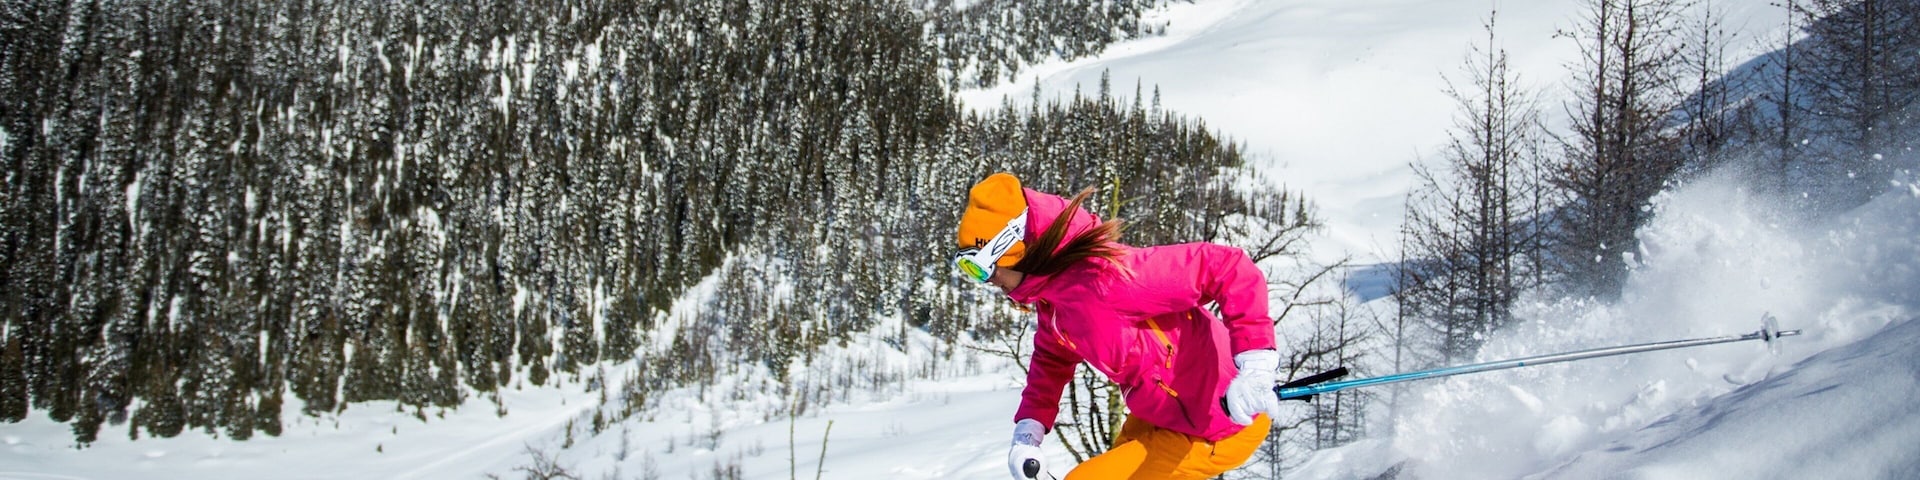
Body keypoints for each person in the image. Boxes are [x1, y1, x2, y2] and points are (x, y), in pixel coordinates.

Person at [952, 172, 1286, 480]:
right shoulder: (1054, 298)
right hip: (1162, 415)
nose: (988, 281)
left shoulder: (1109, 280)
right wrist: (1029, 429)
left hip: (1223, 422)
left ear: (1017, 249)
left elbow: (1227, 267)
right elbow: (1051, 362)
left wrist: (1255, 365)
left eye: (983, 268)